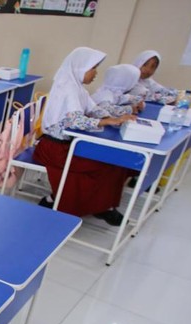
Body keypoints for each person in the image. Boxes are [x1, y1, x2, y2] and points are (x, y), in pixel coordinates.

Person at [32, 47, 136, 226]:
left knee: (114, 162)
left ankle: (101, 206)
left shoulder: (78, 88)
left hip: (67, 145)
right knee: (105, 164)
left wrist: (111, 117)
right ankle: (84, 205)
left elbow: (92, 108)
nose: (96, 73)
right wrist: (107, 122)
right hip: (54, 148)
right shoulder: (68, 88)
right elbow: (75, 119)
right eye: (93, 68)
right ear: (80, 67)